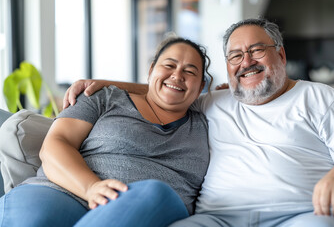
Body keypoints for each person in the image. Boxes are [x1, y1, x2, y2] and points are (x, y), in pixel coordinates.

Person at [63, 18, 334, 226]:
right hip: (218, 219)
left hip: (305, 215)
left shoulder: (318, 97)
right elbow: (170, 90)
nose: (245, 61)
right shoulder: (215, 102)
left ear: (281, 55)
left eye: (257, 51)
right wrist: (104, 84)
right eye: (235, 55)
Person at [0, 37, 212, 227]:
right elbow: (55, 144)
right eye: (169, 65)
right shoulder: (104, 97)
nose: (177, 75)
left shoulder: (211, 116)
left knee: (156, 193)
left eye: (190, 71)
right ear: (151, 70)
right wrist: (91, 187)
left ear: (202, 85)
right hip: (62, 191)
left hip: (148, 208)